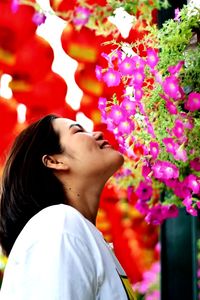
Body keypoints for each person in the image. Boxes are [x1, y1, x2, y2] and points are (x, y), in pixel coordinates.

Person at [0, 114, 136, 300]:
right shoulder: (57, 225)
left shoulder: (69, 228)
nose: (97, 133)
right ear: (54, 161)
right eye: (78, 130)